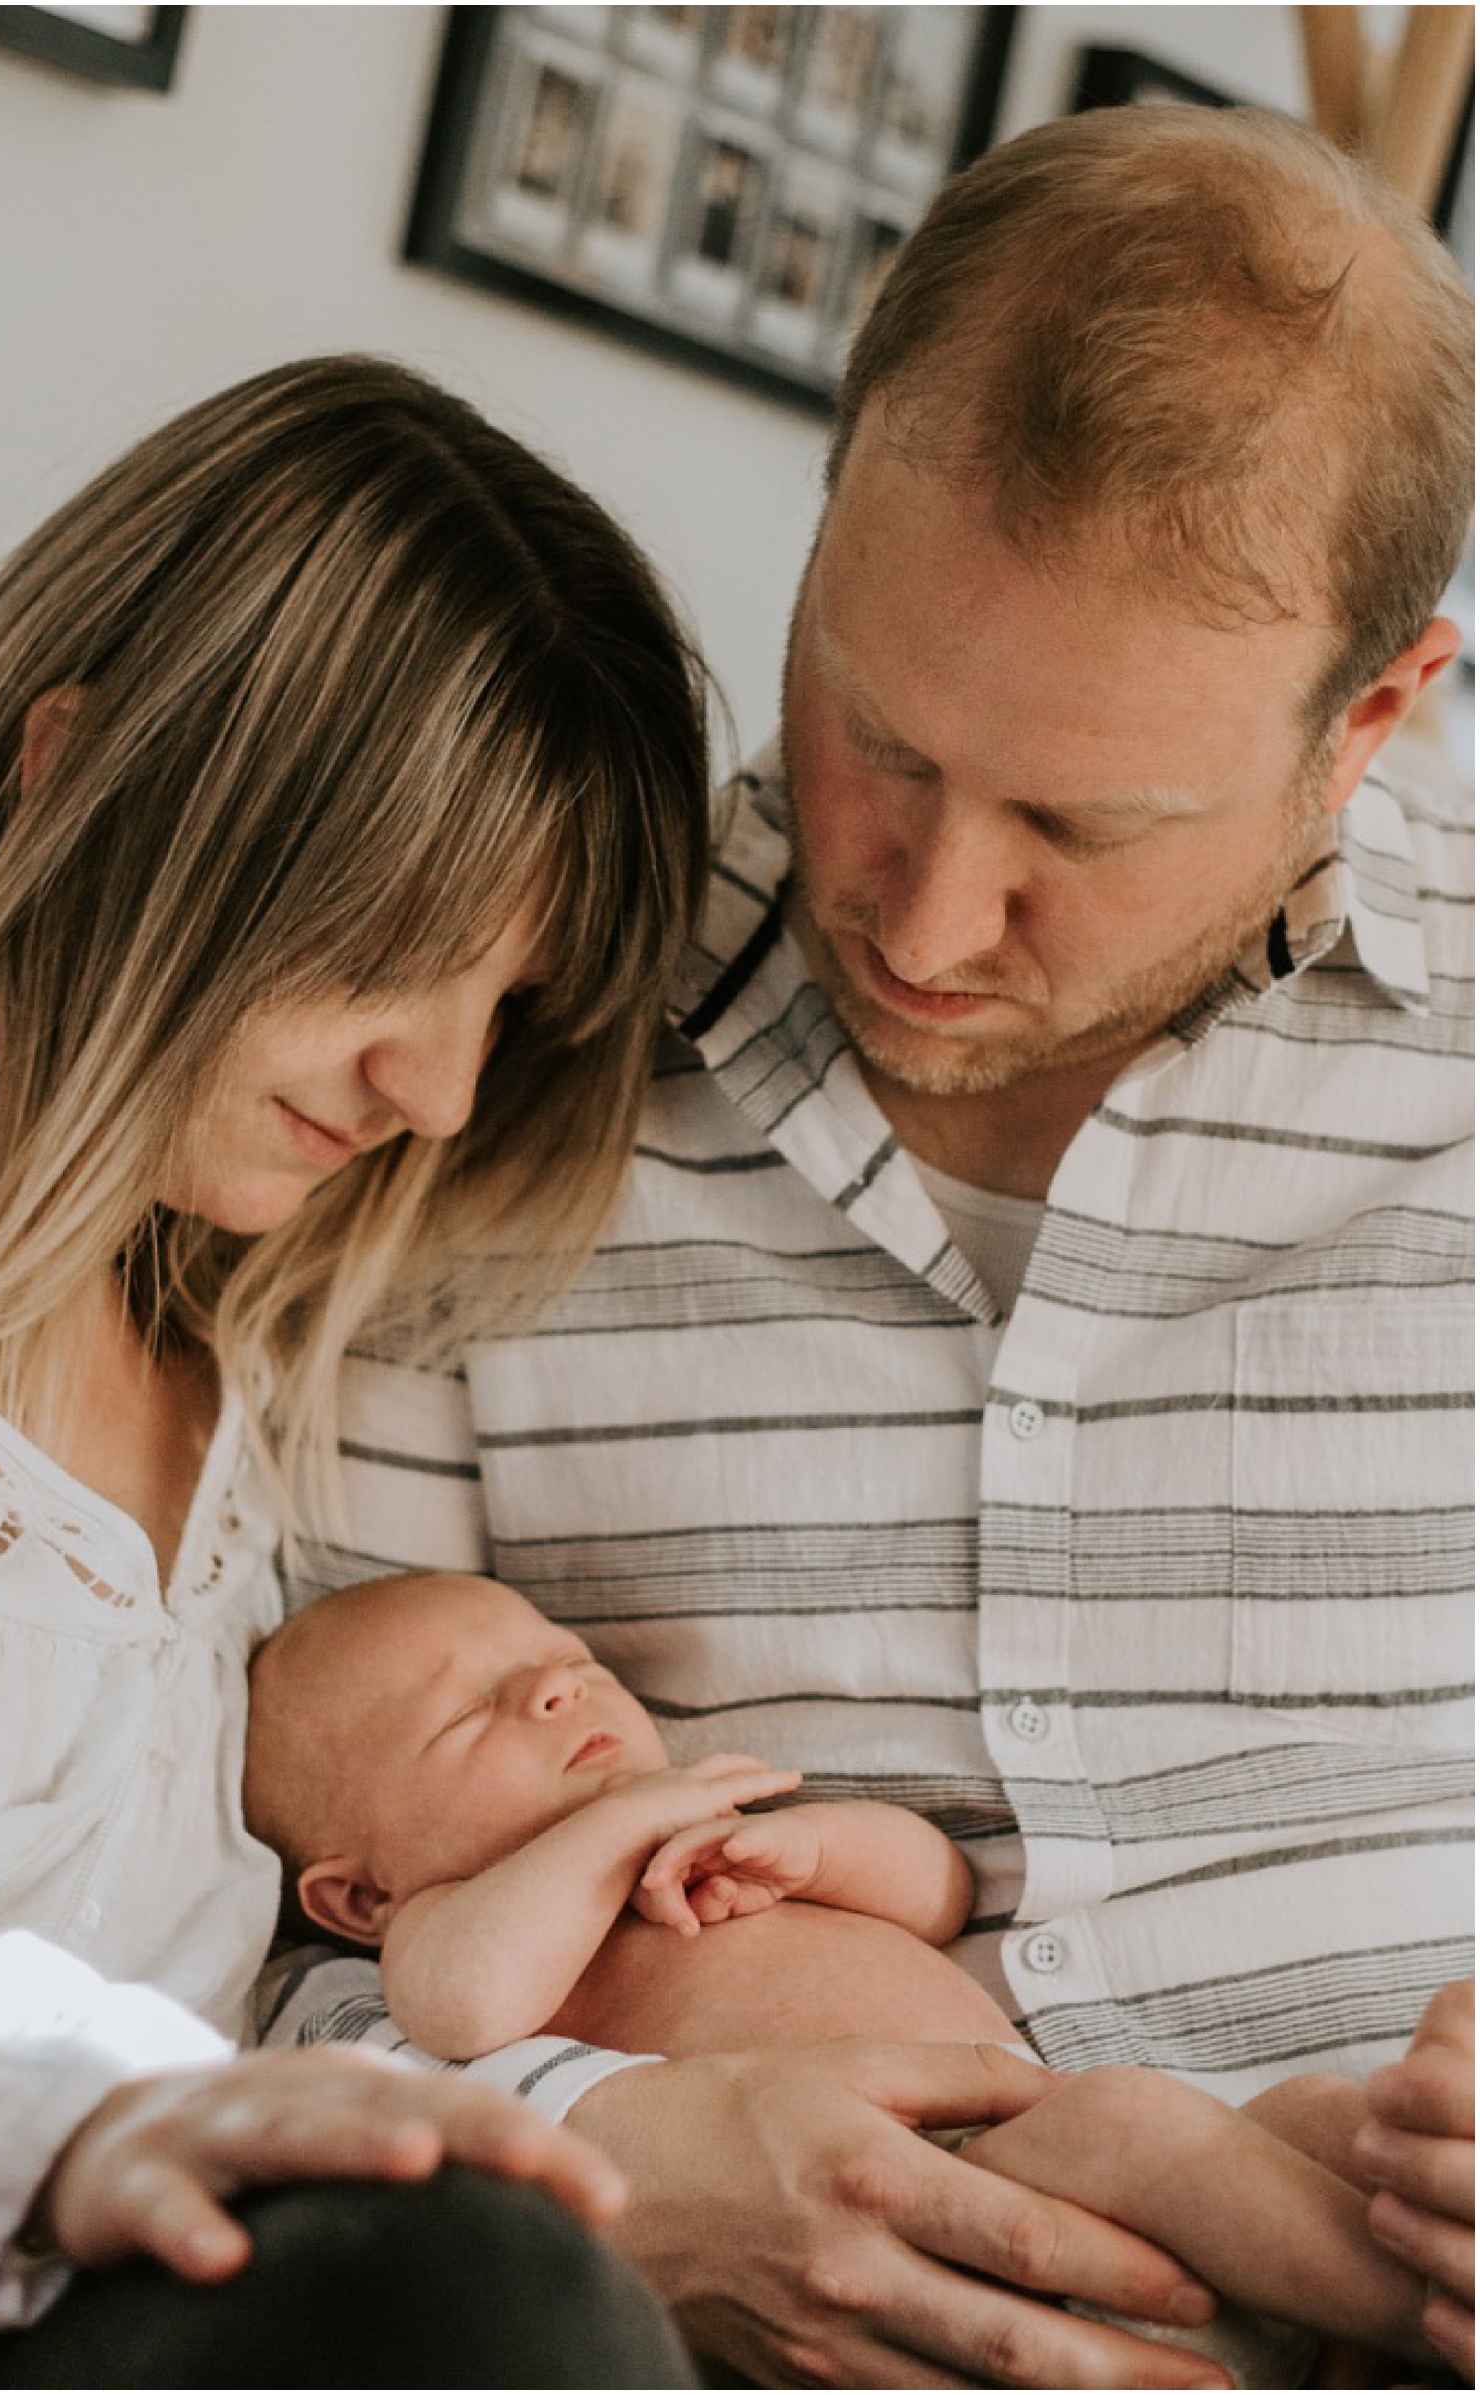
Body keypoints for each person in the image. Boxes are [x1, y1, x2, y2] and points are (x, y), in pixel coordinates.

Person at [264, 107, 1476, 2392]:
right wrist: (613, 2146)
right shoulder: (474, 1058)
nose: (918, 913)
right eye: (873, 732)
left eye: (1074, 825)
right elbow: (283, 1925)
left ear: (1371, 718)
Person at [0, 354, 711, 2388]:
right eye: (385, 955)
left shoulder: (258, 1403)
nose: (435, 1089)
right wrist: (64, 2125)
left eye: (497, 1003)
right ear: (76, 775)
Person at [244, 1568, 1449, 2386]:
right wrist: (615, 1826)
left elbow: (935, 1895)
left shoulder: (702, 1850)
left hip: (1074, 2195)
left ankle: (1376, 2328)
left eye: (560, 1659)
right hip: (929, 2229)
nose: (551, 1691)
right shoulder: (448, 1922)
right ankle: (1437, 2325)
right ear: (359, 1895)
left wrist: (819, 1847)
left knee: (1317, 2116)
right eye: (468, 1717)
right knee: (1129, 2115)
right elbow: (461, 2007)